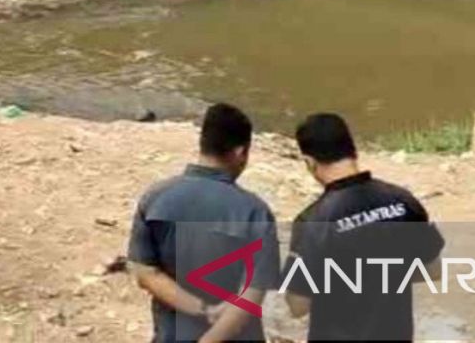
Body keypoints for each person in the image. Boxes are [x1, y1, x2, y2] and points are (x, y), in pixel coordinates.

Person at [283, 113, 444, 342]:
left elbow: (298, 305)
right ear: (353, 150)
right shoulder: (403, 201)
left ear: (309, 162)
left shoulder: (314, 221)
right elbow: (433, 271)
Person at [128, 103, 280, 343]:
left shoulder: (155, 198)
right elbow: (250, 297)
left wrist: (201, 308)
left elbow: (146, 274)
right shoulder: (255, 212)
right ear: (241, 153)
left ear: (203, 144)